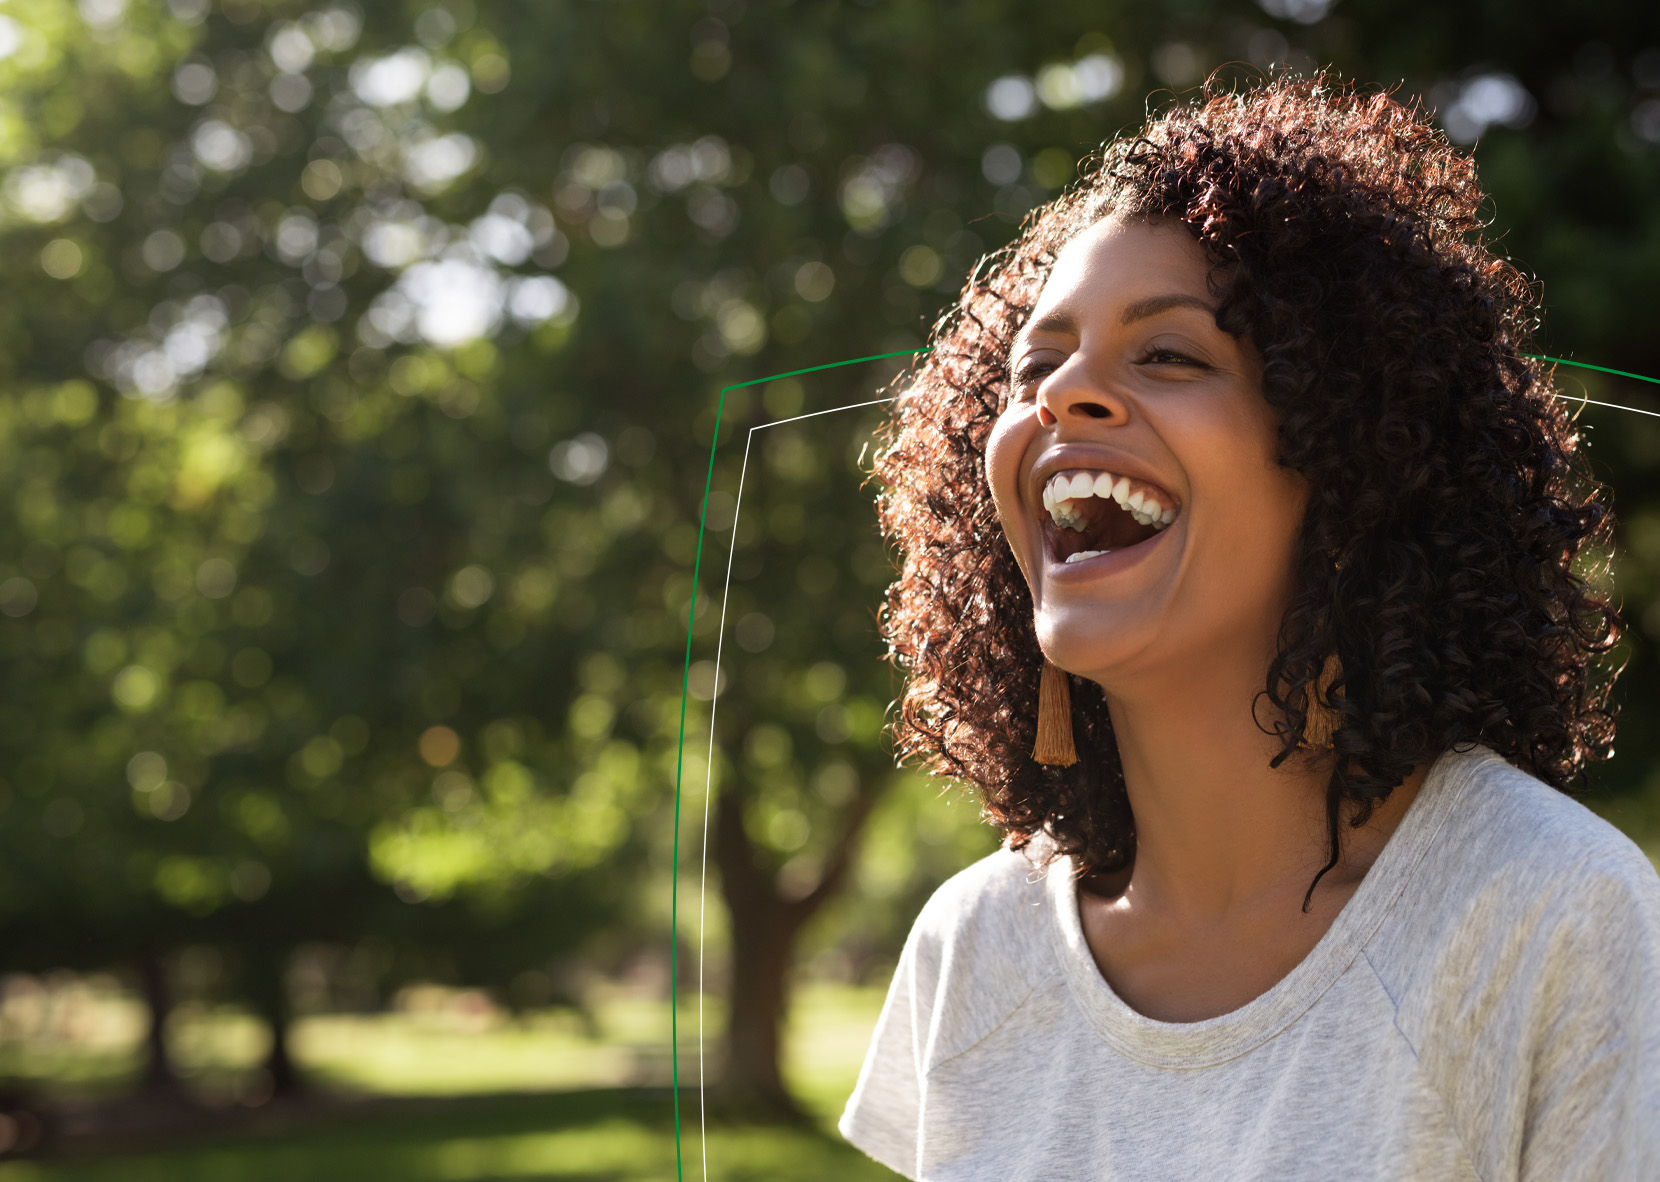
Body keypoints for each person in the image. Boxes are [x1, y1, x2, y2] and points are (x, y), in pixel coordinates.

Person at [839, 71, 1660, 1180]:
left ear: (1347, 462)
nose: (1061, 396)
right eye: (1033, 365)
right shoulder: (974, 948)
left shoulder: (1554, 917)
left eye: (1169, 354)